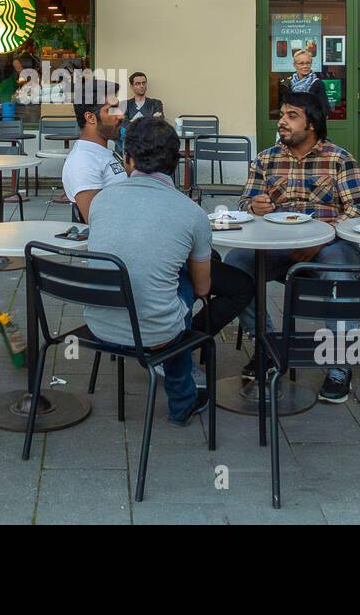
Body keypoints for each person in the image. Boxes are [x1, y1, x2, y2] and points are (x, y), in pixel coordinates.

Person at [85, 119, 254, 426]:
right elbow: (204, 289)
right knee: (185, 285)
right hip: (155, 334)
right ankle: (182, 402)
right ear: (176, 163)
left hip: (98, 326)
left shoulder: (100, 201)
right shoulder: (191, 212)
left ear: (129, 159)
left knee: (167, 282)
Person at [232, 91, 360, 402]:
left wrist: (321, 236)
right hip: (275, 244)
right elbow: (244, 203)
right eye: (282, 114)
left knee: (339, 271)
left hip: (328, 243)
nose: (282, 121)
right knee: (235, 265)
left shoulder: (339, 159)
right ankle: (267, 345)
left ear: (312, 124)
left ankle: (339, 364)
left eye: (292, 115)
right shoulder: (266, 159)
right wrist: (254, 206)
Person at [62, 80, 126, 222]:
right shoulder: (83, 162)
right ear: (90, 117)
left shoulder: (101, 153)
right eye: (112, 109)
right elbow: (98, 223)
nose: (121, 116)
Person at [280, 49, 329, 117]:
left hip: (311, 124)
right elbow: (284, 107)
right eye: (301, 63)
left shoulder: (318, 84)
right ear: (295, 65)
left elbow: (324, 109)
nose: (305, 66)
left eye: (308, 63)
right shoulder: (288, 84)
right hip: (292, 123)